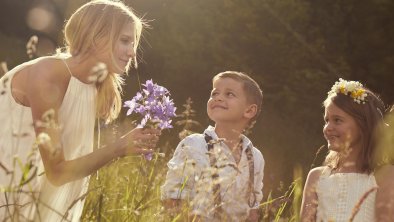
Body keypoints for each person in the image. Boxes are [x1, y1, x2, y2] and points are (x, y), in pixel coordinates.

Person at [0, 0, 160, 221]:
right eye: (125, 41)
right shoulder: (49, 72)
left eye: (133, 44)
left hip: (26, 199)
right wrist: (119, 147)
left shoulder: (91, 87)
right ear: (96, 37)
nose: (132, 53)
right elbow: (56, 172)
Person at [161, 71, 265, 221]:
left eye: (229, 94)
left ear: (249, 110)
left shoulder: (256, 157)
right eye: (214, 93)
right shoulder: (193, 145)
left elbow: (252, 208)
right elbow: (173, 198)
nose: (218, 97)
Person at [300, 78, 394, 222]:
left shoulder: (385, 175)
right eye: (326, 120)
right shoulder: (317, 176)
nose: (328, 128)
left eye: (337, 120)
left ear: (363, 125)